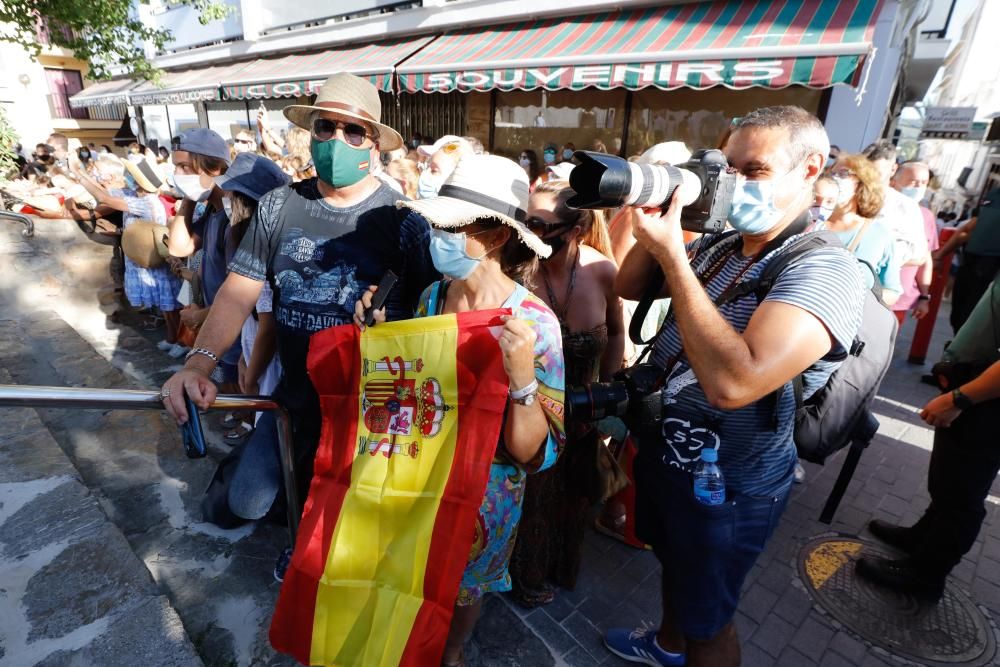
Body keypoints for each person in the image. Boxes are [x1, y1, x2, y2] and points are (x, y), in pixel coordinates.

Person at [604, 106, 865, 667]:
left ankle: (686, 646)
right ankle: (666, 646)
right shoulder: (722, 246)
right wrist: (661, 226)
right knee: (679, 574)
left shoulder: (826, 270)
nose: (737, 183)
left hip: (730, 490)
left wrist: (674, 255)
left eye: (756, 170)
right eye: (728, 169)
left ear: (809, 168)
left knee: (711, 622)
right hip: (668, 459)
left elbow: (734, 383)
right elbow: (629, 286)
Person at [159, 73, 438, 575]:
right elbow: (238, 291)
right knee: (245, 501)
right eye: (326, 127)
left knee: (350, 512)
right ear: (310, 132)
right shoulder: (279, 206)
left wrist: (390, 319)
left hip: (366, 409)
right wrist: (199, 363)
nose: (337, 140)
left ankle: (314, 552)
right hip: (292, 401)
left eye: (353, 131)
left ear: (373, 143)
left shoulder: (403, 221)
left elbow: (434, 314)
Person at [355, 154, 565, 667]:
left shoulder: (535, 325)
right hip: (418, 478)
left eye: (448, 227)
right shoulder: (431, 297)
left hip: (483, 496)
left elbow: (533, 453)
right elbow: (407, 393)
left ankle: (451, 651)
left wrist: (520, 377)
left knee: (465, 591)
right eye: (433, 224)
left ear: (494, 238)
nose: (434, 236)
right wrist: (380, 342)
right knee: (413, 577)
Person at [509, 180, 624, 607]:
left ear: (574, 230)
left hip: (584, 412)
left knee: (574, 496)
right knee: (533, 497)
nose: (529, 232)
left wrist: (609, 395)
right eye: (526, 220)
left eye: (540, 224)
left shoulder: (603, 271)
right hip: (533, 410)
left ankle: (560, 568)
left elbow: (615, 333)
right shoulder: (517, 270)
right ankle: (525, 574)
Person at [857, 279, 1000, 602]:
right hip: (978, 389)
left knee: (962, 495)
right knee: (951, 480)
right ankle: (922, 538)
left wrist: (961, 399)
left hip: (986, 400)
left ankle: (925, 574)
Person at [71, 155, 182, 341]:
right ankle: (173, 339)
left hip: (155, 259)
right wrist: (83, 174)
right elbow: (104, 192)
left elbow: (103, 198)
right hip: (147, 256)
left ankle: (178, 340)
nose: (126, 177)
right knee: (165, 308)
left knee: (170, 308)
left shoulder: (147, 202)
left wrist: (77, 172)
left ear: (138, 180)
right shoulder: (137, 196)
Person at [164, 129, 240, 390]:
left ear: (216, 168)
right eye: (176, 167)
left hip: (231, 326)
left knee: (238, 381)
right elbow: (179, 246)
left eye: (186, 167)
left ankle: (245, 423)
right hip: (213, 319)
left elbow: (245, 287)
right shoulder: (212, 209)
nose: (179, 175)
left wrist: (204, 316)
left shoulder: (235, 217)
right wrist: (187, 196)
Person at [823, 155, 902, 301]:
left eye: (843, 173)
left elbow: (892, 291)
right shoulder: (810, 222)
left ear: (863, 183)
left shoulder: (880, 235)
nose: (834, 178)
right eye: (831, 173)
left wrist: (856, 298)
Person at [863, 141, 930, 305]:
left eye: (877, 172)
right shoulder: (847, 197)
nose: (870, 177)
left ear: (893, 169)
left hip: (878, 293)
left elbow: (920, 256)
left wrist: (882, 258)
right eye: (865, 170)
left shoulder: (907, 207)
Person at [935, 188, 1000, 332]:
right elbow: (968, 229)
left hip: (993, 267)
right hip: (971, 263)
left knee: (974, 320)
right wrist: (940, 255)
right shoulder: (994, 194)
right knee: (959, 316)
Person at [889, 160, 938, 326]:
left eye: (924, 183)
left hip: (900, 301)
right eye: (913, 181)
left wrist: (924, 296)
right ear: (893, 181)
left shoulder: (926, 216)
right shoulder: (878, 209)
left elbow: (926, 259)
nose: (919, 187)